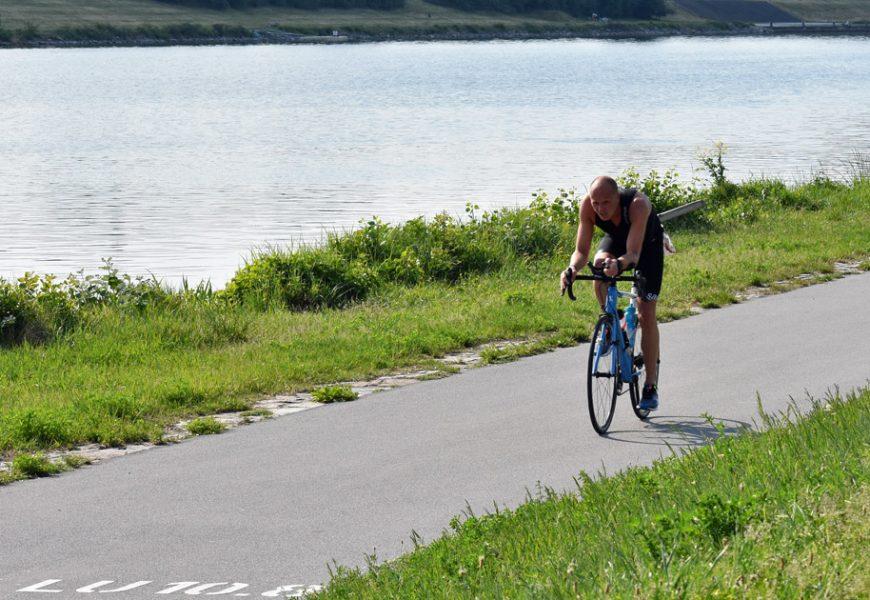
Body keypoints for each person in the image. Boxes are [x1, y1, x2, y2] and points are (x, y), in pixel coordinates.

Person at [560, 175, 664, 410]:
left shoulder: (638, 205)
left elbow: (633, 255)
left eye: (606, 203)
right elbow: (581, 250)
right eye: (596, 203)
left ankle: (650, 385)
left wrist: (620, 264)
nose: (600, 209)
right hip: (617, 241)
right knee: (599, 266)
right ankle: (612, 323)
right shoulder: (588, 205)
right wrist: (572, 268)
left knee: (646, 314)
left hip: (645, 248)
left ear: (617, 197)